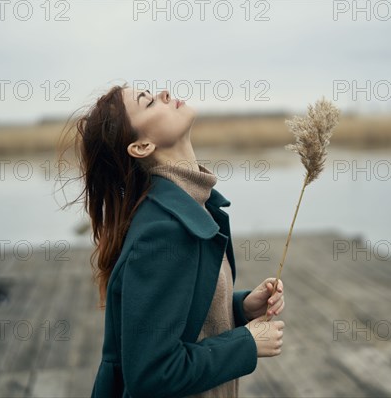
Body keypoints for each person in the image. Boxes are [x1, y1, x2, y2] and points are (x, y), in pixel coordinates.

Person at [58, 82, 286, 397]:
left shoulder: (194, 207)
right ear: (141, 147)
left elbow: (182, 322)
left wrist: (240, 309)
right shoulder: (163, 232)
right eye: (148, 102)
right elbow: (152, 373)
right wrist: (246, 343)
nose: (165, 93)